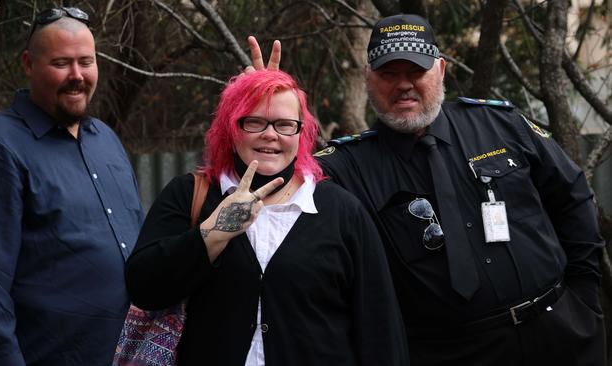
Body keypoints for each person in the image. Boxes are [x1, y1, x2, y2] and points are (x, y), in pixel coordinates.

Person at [250, 14, 607, 366]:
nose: (403, 84)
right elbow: (270, 195)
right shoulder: (346, 167)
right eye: (389, 73)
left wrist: (585, 295)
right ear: (367, 79)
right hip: (452, 352)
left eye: (416, 71)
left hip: (561, 333)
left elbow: (572, 196)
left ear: (441, 70)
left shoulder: (500, 125)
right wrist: (257, 111)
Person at [124, 69, 409, 365]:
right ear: (231, 130)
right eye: (254, 122)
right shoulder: (190, 195)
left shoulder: (342, 212)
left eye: (285, 125)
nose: (270, 134)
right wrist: (214, 232)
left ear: (301, 134)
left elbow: (380, 329)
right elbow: (144, 288)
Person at [0, 7, 144, 365]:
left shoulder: (105, 139)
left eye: (86, 62)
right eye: (61, 63)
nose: (77, 75)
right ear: (29, 64)